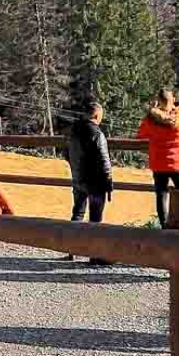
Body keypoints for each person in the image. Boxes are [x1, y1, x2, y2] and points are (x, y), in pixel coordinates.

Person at [137, 88, 179, 228]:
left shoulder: (151, 120)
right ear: (173, 100)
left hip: (159, 164)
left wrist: (152, 111)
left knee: (161, 195)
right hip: (178, 164)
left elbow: (140, 133)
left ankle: (164, 226)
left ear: (158, 101)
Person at [66, 101, 114, 263]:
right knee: (95, 219)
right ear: (96, 115)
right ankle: (95, 255)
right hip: (95, 182)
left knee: (78, 214)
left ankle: (72, 250)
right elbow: (104, 159)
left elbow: (66, 153)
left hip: (78, 178)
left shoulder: (74, 131)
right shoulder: (97, 134)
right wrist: (108, 180)